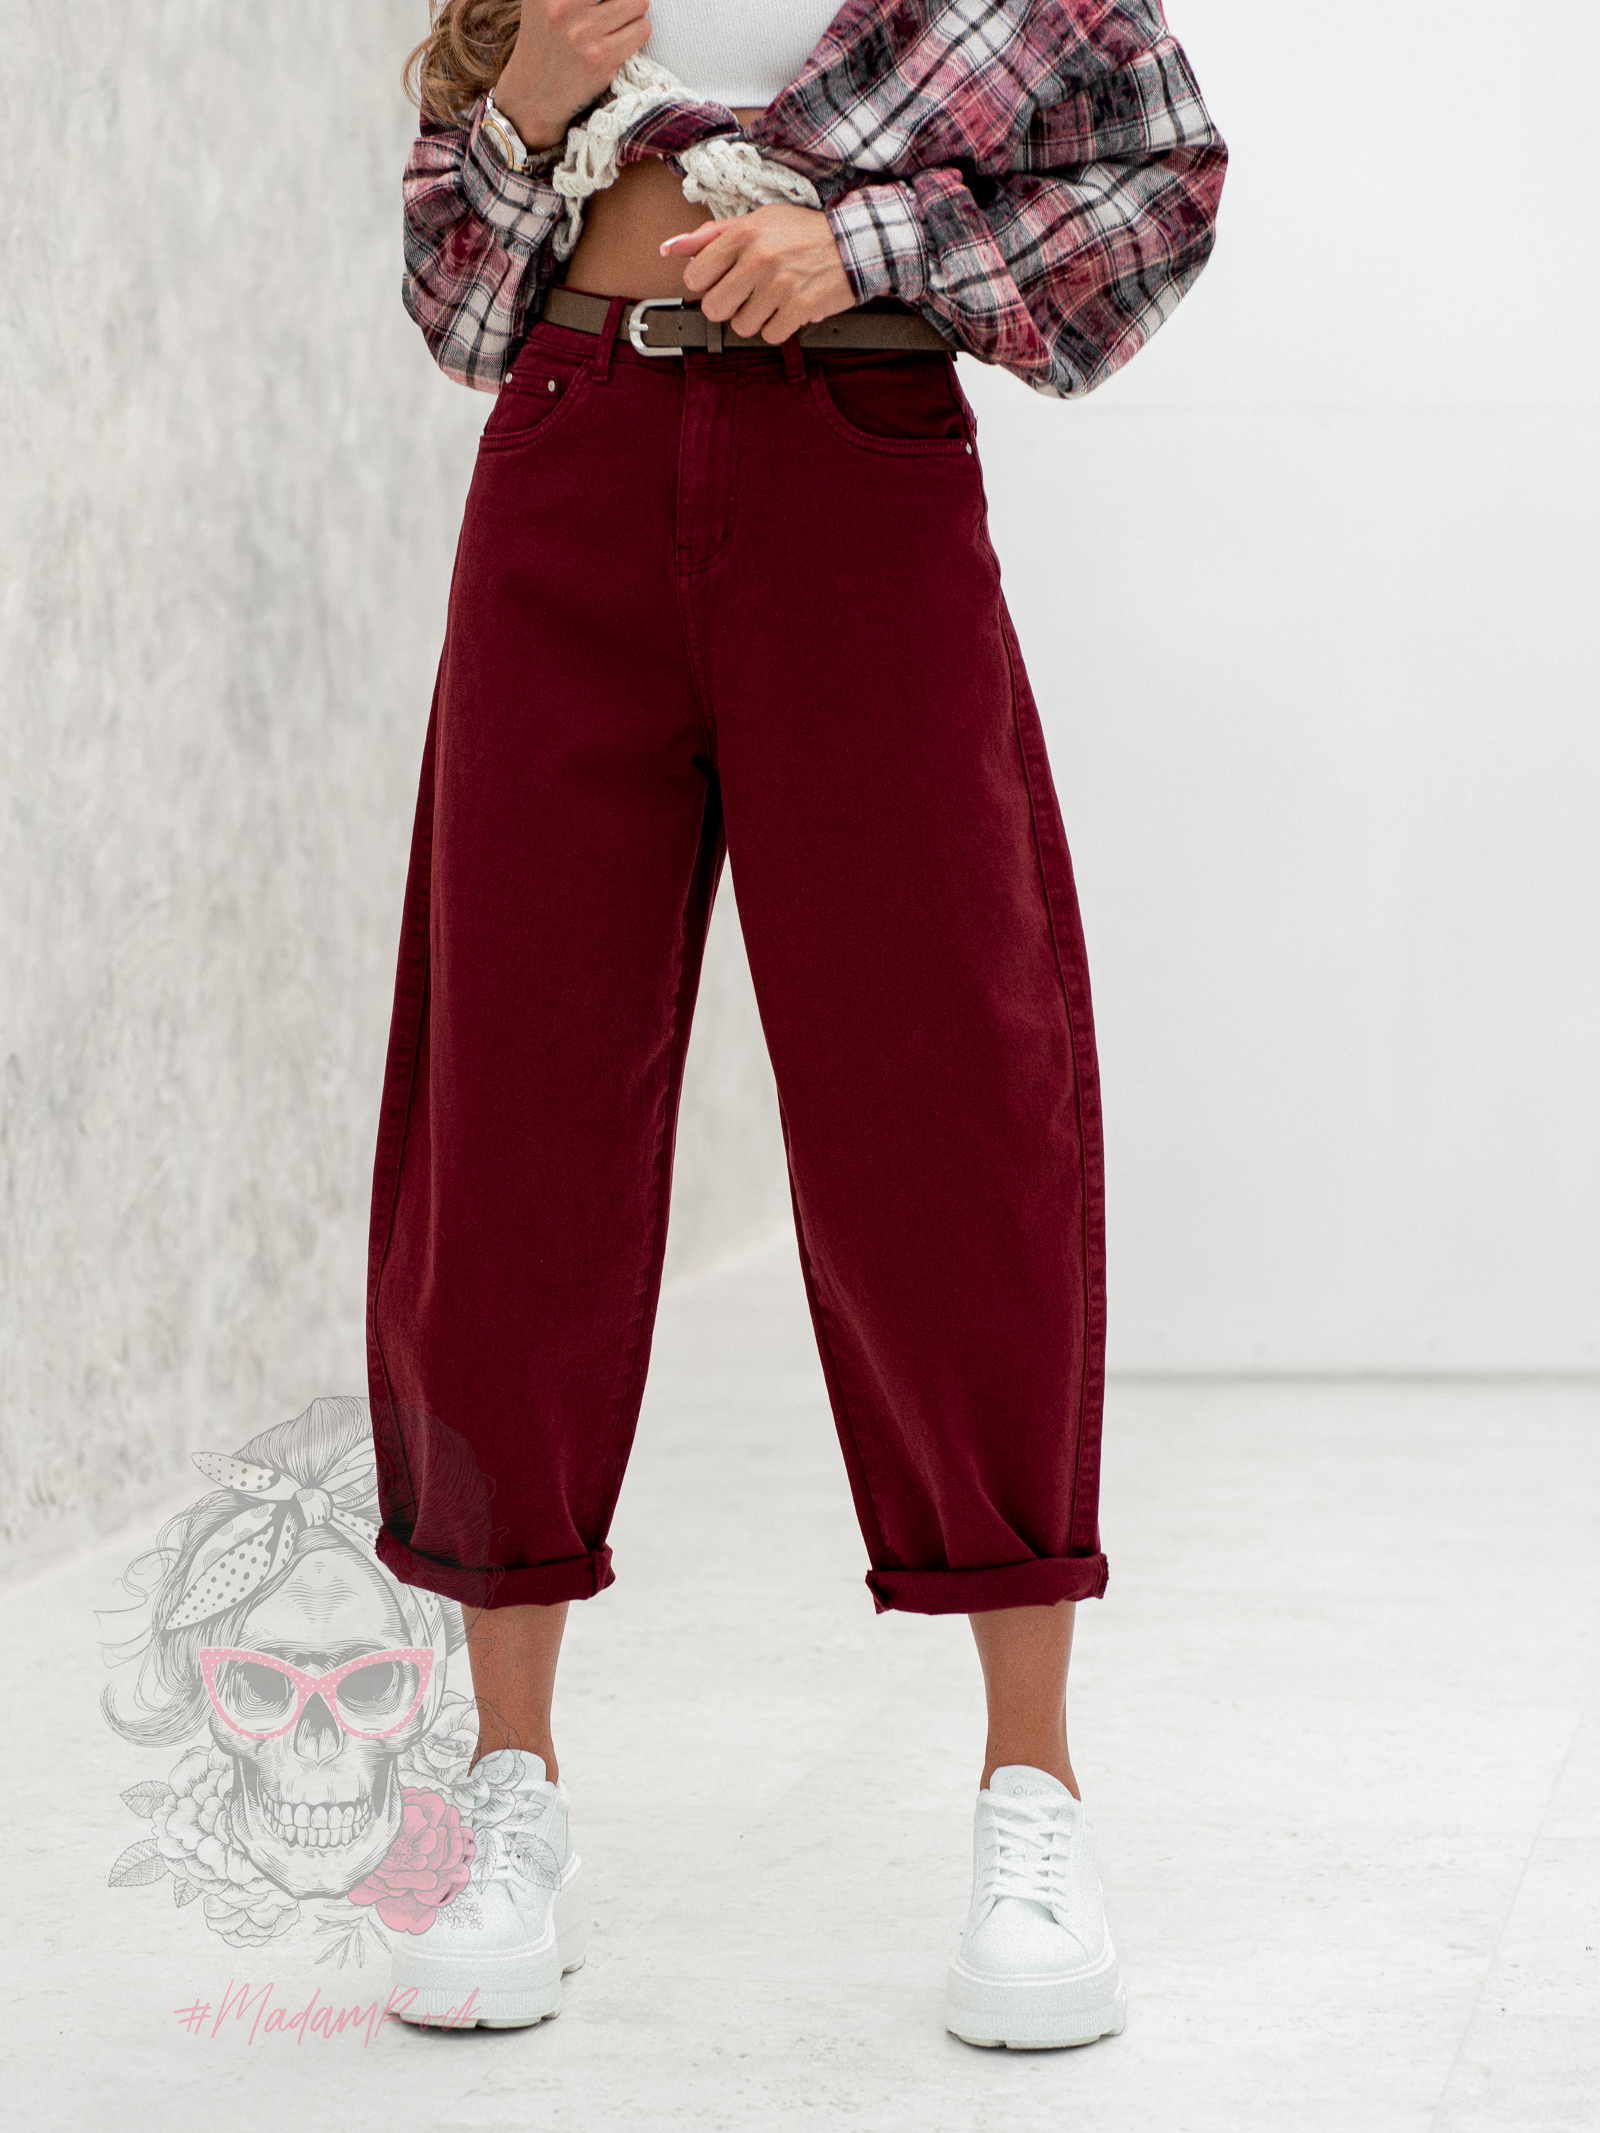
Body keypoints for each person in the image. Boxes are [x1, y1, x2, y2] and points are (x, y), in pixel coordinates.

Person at [366, 0, 1225, 2049]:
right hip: (567, 458)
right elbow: (457, 308)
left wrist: (864, 247)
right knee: (513, 1116)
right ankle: (508, 1787)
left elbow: (1162, 184)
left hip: (861, 461)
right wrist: (532, 112)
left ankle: (1031, 1789)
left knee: (951, 1110)